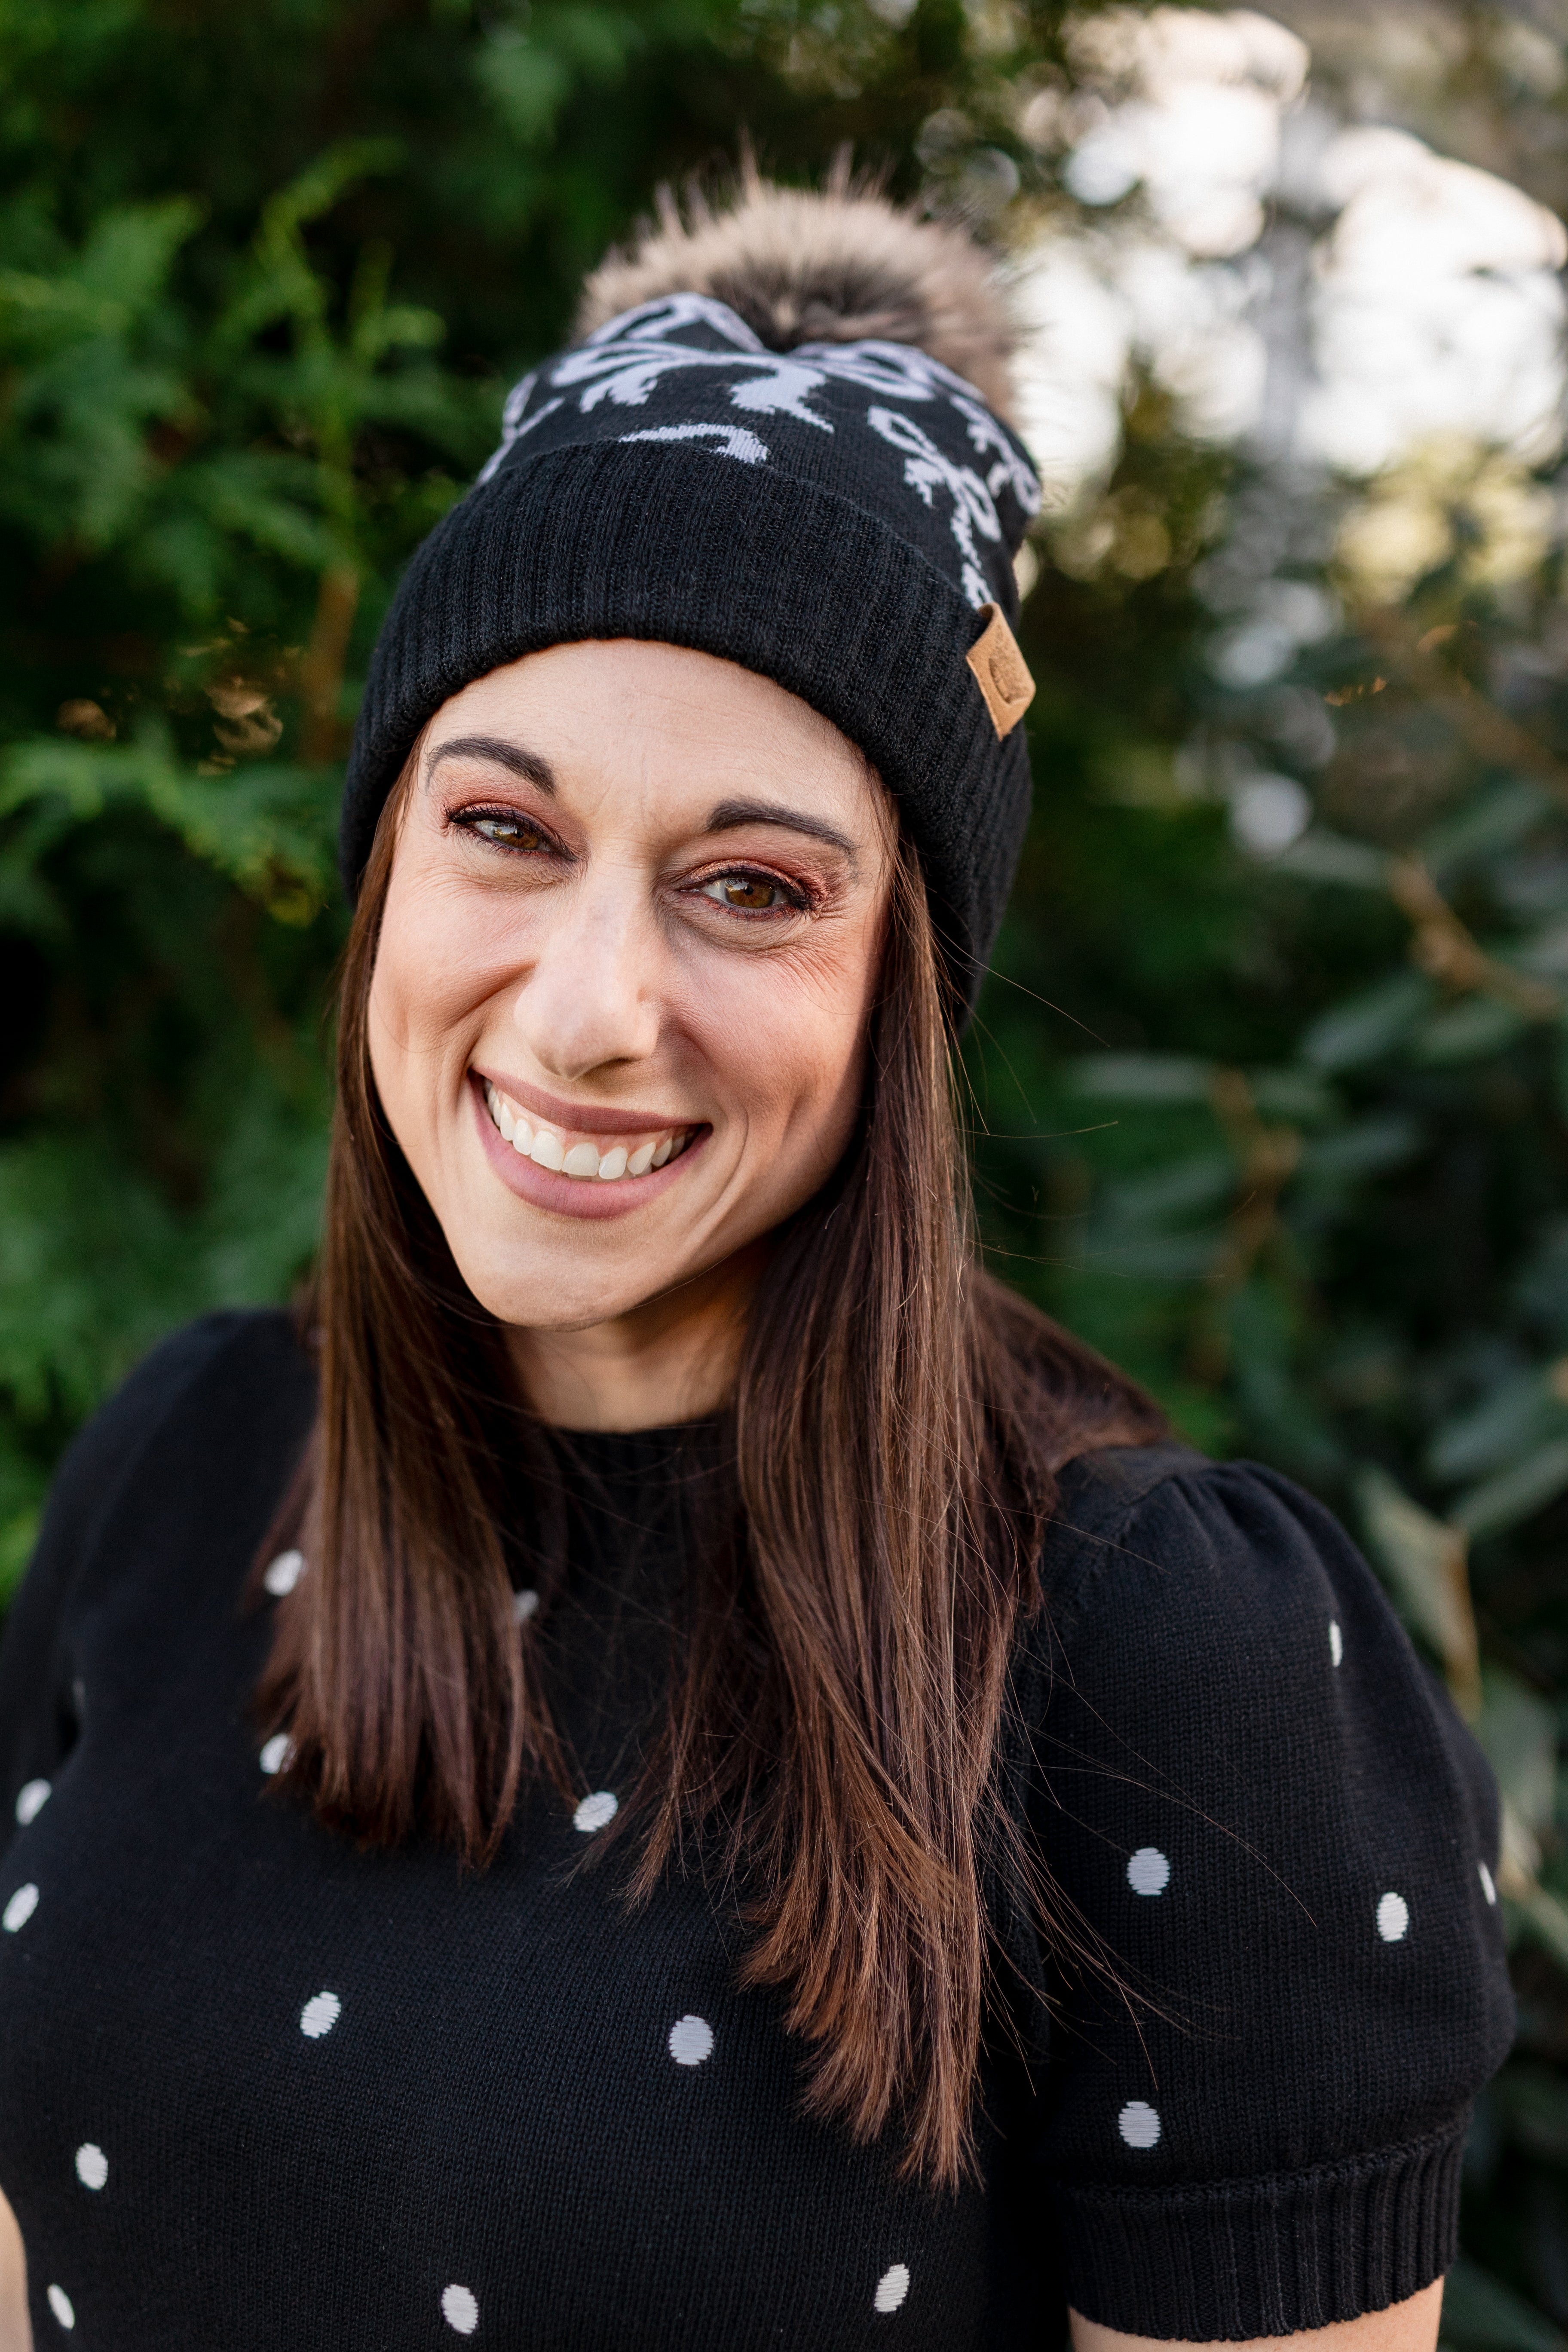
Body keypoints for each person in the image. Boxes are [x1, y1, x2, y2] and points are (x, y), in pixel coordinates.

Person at [0, 175, 1512, 2352]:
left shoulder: (1182, 1666)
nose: (591, 1010)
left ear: (906, 986)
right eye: (504, 830)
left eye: (754, 887)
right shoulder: (186, 1462)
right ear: (387, 863)